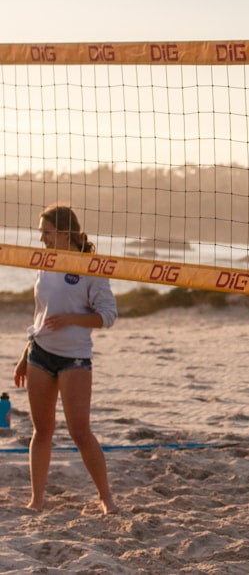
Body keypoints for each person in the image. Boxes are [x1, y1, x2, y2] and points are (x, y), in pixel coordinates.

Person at [12, 204, 120, 515]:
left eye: (46, 233)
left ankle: (106, 498)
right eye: (41, 233)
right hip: (39, 354)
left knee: (79, 431)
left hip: (74, 358)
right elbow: (40, 316)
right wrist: (24, 355)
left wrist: (72, 318)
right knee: (41, 430)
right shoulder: (44, 263)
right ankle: (37, 500)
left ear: (64, 233)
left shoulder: (91, 266)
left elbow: (108, 316)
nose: (41, 239)